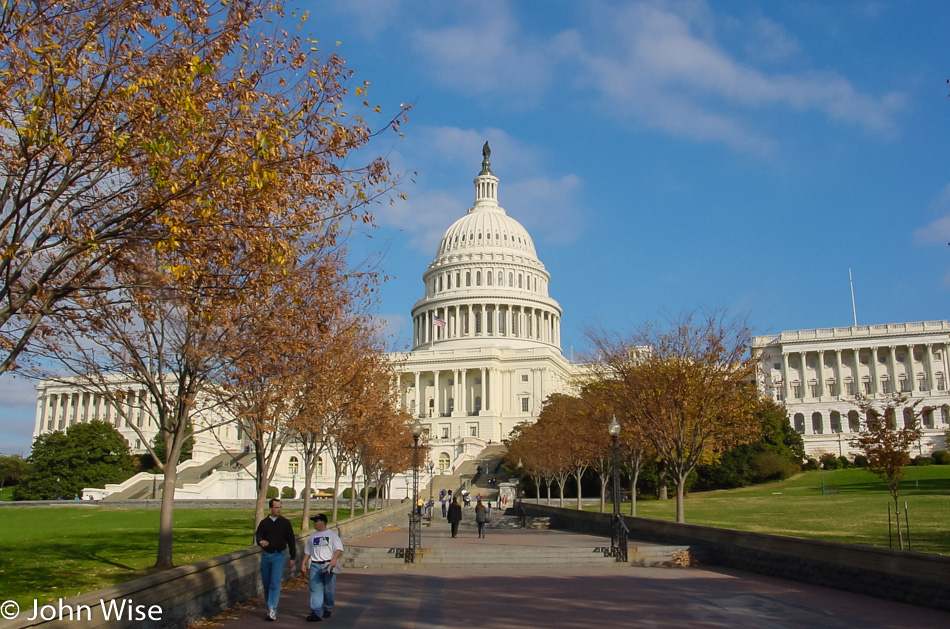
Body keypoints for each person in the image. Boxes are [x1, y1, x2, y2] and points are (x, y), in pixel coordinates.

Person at [255, 498, 296, 621]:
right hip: (266, 555)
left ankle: (272, 609)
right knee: (267, 583)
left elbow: (291, 541)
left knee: (274, 583)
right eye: (276, 507)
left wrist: (292, 557)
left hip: (279, 555)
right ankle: (270, 606)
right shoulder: (264, 523)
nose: (279, 510)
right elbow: (259, 534)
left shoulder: (285, 523)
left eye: (280, 507)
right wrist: (260, 541)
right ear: (271, 508)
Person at [301, 513, 344, 622]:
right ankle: (316, 612)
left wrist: (334, 559)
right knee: (315, 589)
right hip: (315, 564)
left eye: (316, 521)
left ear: (322, 522)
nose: (314, 523)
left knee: (328, 589)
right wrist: (303, 563)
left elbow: (338, 549)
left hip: (328, 565)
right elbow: (308, 551)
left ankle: (328, 608)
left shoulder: (332, 535)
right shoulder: (312, 536)